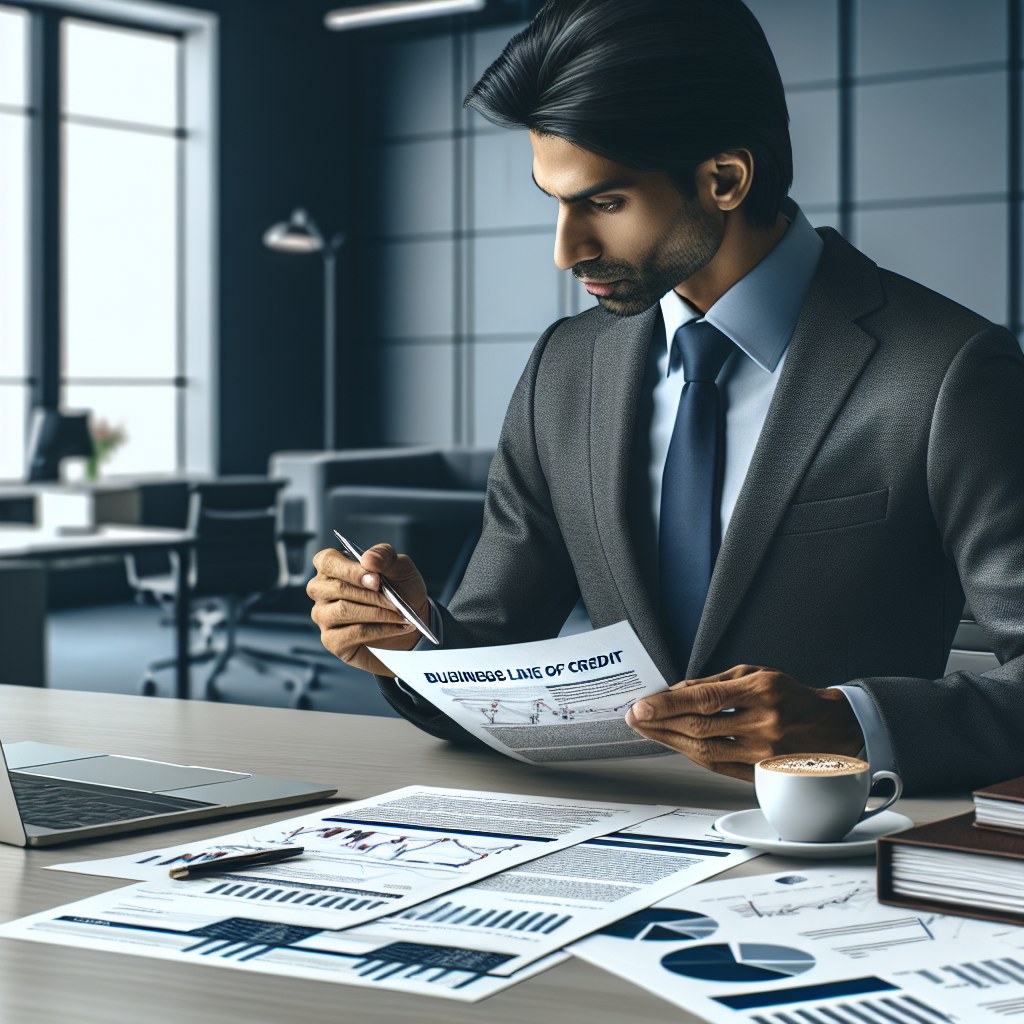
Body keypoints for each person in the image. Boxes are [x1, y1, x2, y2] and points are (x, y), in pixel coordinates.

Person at [308, 0, 1023, 795]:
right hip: (606, 847)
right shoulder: (564, 368)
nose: (565, 249)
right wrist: (413, 638)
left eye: (603, 202)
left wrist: (848, 723)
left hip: (842, 859)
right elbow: (493, 647)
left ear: (725, 178)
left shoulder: (948, 369)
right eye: (557, 200)